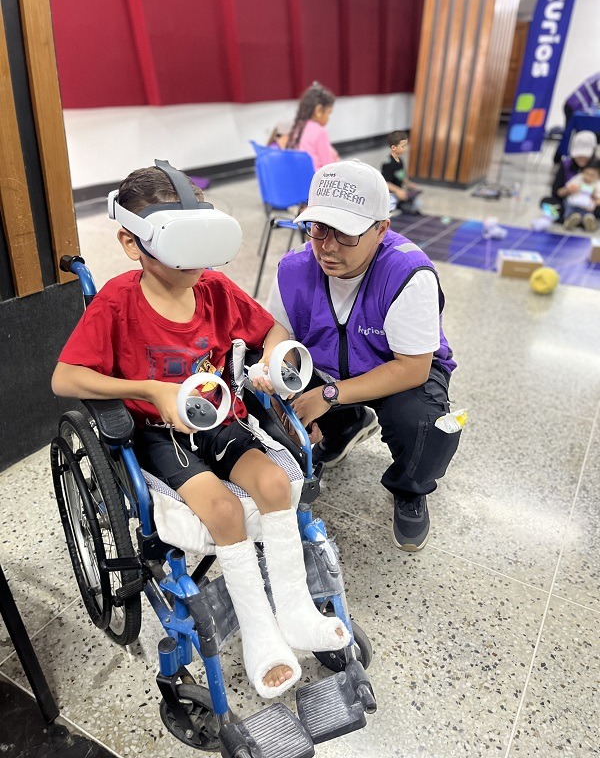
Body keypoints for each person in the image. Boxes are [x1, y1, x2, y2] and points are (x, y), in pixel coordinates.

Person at [51, 162, 350, 700]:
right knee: (225, 510)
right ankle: (260, 634)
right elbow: (65, 377)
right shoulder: (117, 302)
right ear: (132, 243)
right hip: (160, 434)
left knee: (276, 483)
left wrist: (274, 356)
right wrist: (150, 390)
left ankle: (296, 610)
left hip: (219, 416)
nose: (195, 261)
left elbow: (271, 330)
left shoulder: (214, 288)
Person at [266, 159, 461, 552]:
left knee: (421, 421)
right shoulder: (295, 267)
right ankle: (347, 425)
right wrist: (275, 374)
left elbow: (412, 368)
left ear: (381, 229)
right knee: (275, 385)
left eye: (346, 233)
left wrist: (327, 396)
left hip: (398, 373)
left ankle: (409, 489)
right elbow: (278, 332)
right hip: (327, 367)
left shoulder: (408, 272)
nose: (328, 246)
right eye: (319, 228)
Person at [541, 130, 598, 223]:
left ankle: (580, 219)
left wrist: (595, 198)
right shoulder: (565, 164)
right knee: (545, 202)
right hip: (568, 202)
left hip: (590, 205)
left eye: (585, 155)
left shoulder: (596, 166)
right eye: (578, 154)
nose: (582, 158)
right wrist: (567, 191)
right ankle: (576, 220)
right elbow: (555, 192)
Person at [287, 81, 339, 170]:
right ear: (319, 110)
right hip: (317, 177)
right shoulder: (320, 131)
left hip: (301, 175)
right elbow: (329, 166)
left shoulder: (298, 127)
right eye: (329, 113)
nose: (328, 118)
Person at [381, 130, 423, 215]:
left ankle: (401, 206)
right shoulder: (388, 164)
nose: (406, 148)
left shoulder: (400, 161)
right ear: (394, 148)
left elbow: (400, 175)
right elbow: (385, 182)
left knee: (418, 204)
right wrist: (398, 191)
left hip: (398, 192)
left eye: (406, 145)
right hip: (390, 194)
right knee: (391, 208)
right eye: (403, 146)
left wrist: (408, 184)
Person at [563, 158, 600, 232]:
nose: (588, 177)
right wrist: (571, 189)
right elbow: (567, 187)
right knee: (568, 206)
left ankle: (589, 222)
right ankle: (569, 220)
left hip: (586, 204)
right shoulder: (579, 178)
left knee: (588, 214)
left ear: (598, 176)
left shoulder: (597, 184)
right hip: (574, 201)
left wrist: (593, 201)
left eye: (592, 175)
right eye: (586, 173)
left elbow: (598, 198)